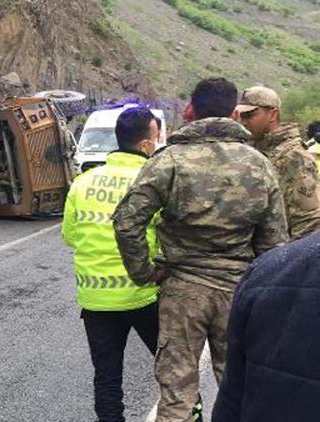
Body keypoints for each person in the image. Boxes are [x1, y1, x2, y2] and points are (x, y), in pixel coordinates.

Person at [112, 78, 289, 422]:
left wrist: (145, 273)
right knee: (241, 390)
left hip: (181, 291)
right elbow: (274, 243)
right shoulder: (258, 164)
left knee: (178, 395)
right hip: (239, 292)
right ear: (234, 112)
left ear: (191, 110)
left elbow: (126, 222)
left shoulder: (169, 161)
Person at [62, 107, 164, 422]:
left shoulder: (83, 182)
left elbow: (71, 237)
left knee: (107, 379)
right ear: (147, 144)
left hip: (96, 300)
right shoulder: (154, 182)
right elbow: (168, 239)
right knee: (174, 371)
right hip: (143, 294)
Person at [212, 231, 320, 422]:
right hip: (233, 275)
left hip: (187, 284)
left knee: (179, 380)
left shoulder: (268, 270)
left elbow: (231, 404)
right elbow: (271, 232)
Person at [236, 86, 320, 239]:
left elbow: (308, 222)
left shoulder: (294, 156)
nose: (244, 122)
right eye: (241, 116)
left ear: (272, 114)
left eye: (250, 115)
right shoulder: (252, 151)